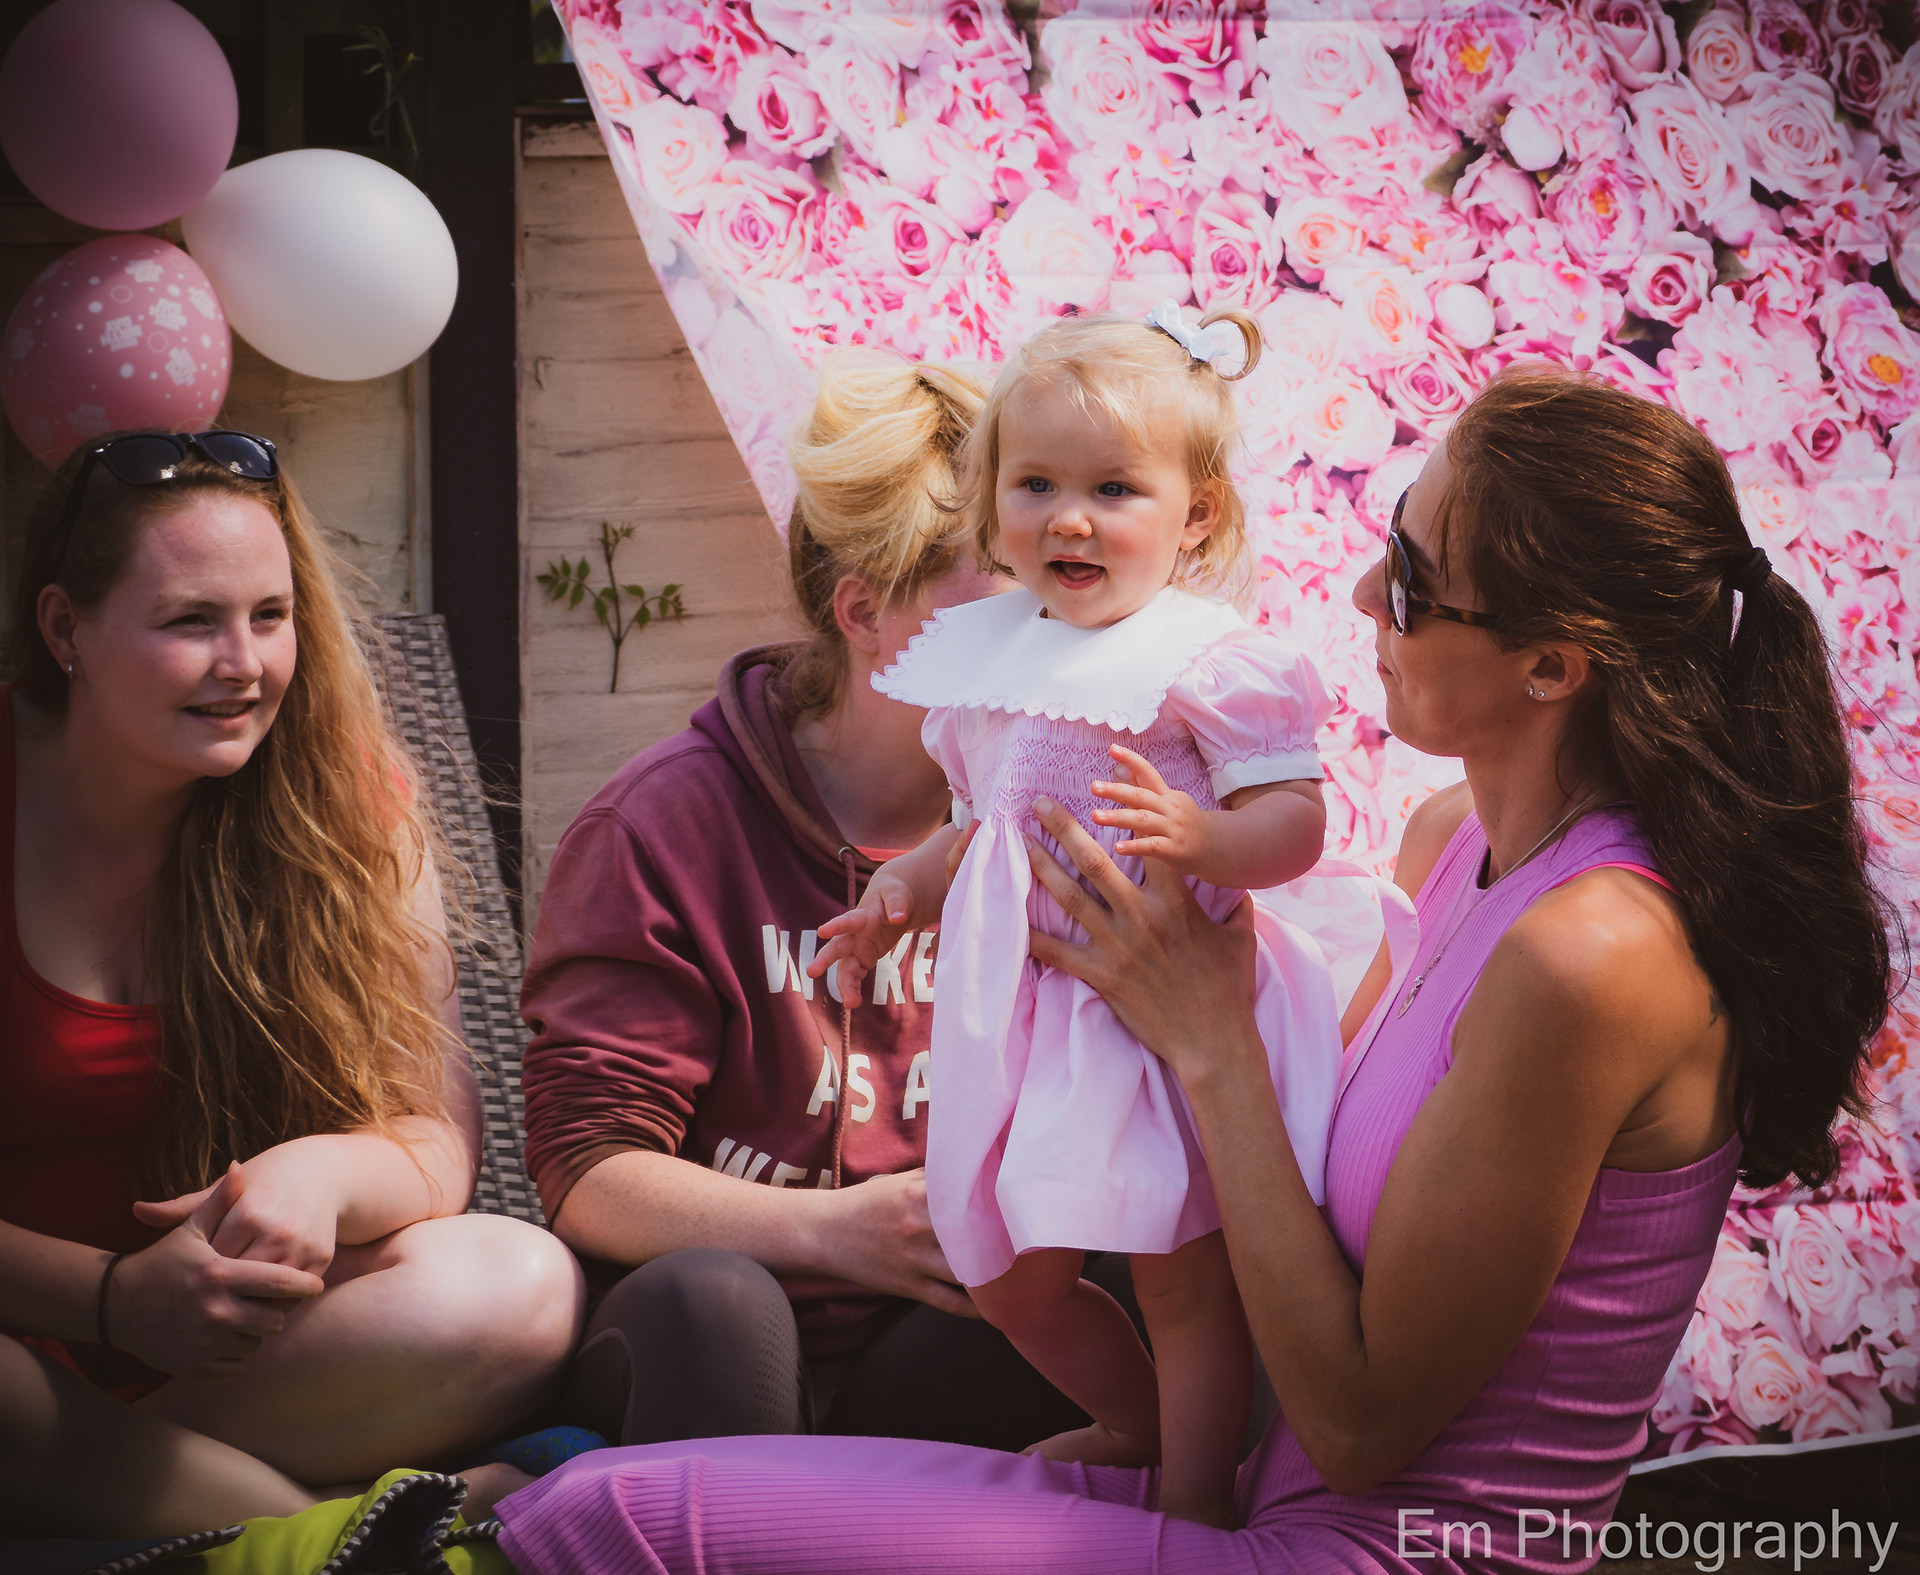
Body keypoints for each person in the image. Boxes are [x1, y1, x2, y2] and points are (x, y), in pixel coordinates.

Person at [490, 366, 1892, 1573]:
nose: (1365, 591)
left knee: (630, 1523)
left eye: (1413, 581)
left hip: (1377, 1544)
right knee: (598, 1503)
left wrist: (1206, 1038)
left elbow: (1361, 1425)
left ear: (1552, 665)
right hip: (1256, 1483)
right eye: (1389, 543)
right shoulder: (1448, 839)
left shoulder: (1592, 952)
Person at [520, 356, 1133, 1451]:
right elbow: (586, 1169)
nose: (1053, 629)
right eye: (1010, 598)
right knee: (721, 1307)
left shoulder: (1060, 817)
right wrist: (834, 1229)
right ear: (865, 614)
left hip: (931, 1342)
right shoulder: (660, 828)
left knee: (1142, 1262)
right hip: (704, 1350)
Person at [0, 429, 585, 1537]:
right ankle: (330, 1535)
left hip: (245, 1360)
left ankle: (128, 1506)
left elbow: (431, 1140)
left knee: (521, 1283)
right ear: (65, 628)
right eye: (191, 621)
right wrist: (112, 1299)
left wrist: (320, 1175)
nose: (246, 664)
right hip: (25, 1343)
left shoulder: (347, 801)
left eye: (270, 615)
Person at [812, 305, 1337, 1527]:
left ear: (1195, 514)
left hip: (1163, 1008)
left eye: (1114, 489)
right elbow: (981, 828)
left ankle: (1196, 1505)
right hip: (1039, 1021)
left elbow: (1298, 820)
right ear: (990, 502)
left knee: (1180, 1280)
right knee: (1006, 1270)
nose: (1070, 518)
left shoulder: (1203, 661)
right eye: (1036, 484)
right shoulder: (991, 661)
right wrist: (903, 890)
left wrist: (1210, 839)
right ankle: (1141, 1427)